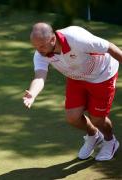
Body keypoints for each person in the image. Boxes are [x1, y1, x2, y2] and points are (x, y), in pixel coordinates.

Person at [23, 22, 122, 161]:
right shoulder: (41, 53)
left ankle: (110, 141)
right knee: (72, 117)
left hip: (102, 75)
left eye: (42, 46)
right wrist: (32, 94)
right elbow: (39, 76)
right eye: (35, 47)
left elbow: (110, 47)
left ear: (53, 39)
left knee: (97, 118)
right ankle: (94, 135)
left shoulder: (77, 38)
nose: (38, 50)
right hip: (76, 77)